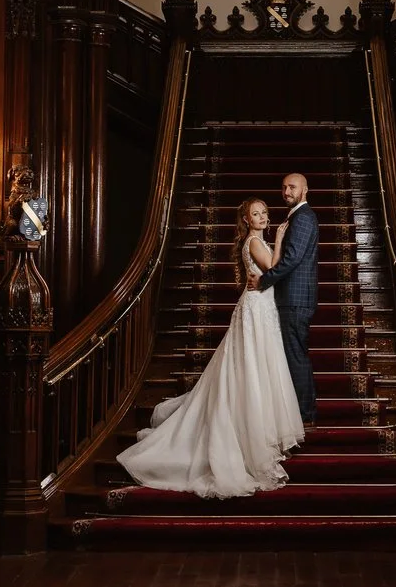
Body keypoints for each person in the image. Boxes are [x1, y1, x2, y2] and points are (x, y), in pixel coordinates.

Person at [116, 197, 304, 497]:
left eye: (265, 213)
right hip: (255, 310)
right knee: (251, 370)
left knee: (261, 368)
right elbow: (272, 267)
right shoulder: (254, 242)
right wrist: (280, 239)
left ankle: (262, 433)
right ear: (246, 220)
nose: (263, 218)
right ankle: (249, 438)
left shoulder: (257, 241)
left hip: (263, 308)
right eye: (256, 214)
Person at [254, 171, 318, 426]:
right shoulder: (298, 217)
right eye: (283, 188)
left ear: (304, 190)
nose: (287, 192)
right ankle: (303, 413)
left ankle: (305, 415)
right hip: (293, 297)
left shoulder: (303, 218)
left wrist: (264, 280)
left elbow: (291, 259)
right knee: (295, 354)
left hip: (296, 299)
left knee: (296, 356)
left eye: (292, 187)